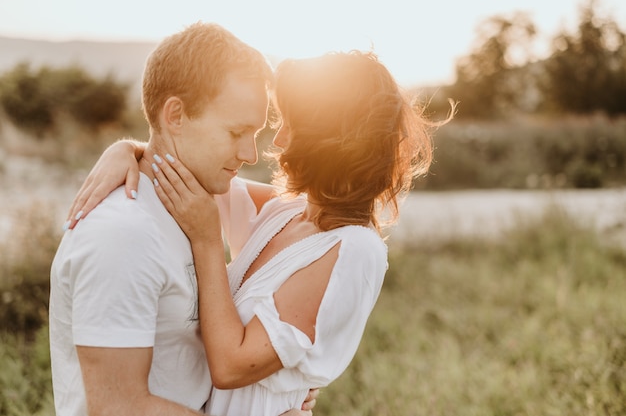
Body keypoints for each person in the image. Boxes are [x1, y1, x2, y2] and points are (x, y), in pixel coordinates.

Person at [66, 51, 450, 415]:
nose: (278, 141)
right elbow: (185, 168)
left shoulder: (354, 251)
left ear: (332, 144)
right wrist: (126, 150)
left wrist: (207, 241)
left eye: (292, 128)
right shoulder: (285, 211)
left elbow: (231, 367)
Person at [49, 22, 316, 416]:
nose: (250, 154)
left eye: (255, 133)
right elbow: (117, 407)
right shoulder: (122, 235)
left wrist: (271, 392)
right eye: (236, 132)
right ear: (175, 114)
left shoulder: (192, 204)